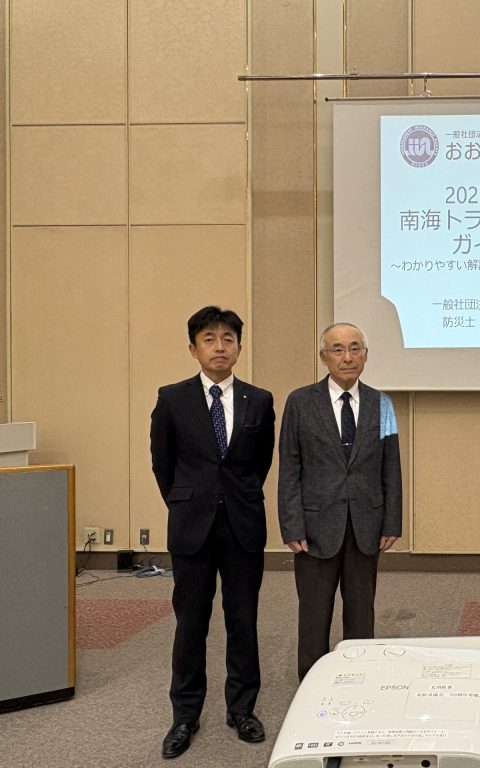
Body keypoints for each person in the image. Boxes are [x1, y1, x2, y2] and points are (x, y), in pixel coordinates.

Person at [150, 306, 276, 759]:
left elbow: (260, 463)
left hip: (243, 524)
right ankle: (185, 715)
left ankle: (242, 709)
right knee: (191, 624)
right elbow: (162, 463)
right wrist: (187, 501)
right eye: (209, 339)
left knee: (243, 620)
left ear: (239, 347)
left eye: (227, 338)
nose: (219, 346)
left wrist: (236, 496)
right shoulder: (172, 398)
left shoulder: (259, 400)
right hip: (192, 526)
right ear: (193, 348)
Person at [278, 322, 402, 680]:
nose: (347, 357)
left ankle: (359, 681)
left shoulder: (382, 403)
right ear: (324, 357)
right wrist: (292, 525)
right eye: (338, 349)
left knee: (362, 613)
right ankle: (312, 685)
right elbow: (290, 467)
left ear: (365, 355)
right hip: (315, 527)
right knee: (314, 615)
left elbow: (391, 466)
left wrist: (392, 521)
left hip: (366, 524)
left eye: (355, 348)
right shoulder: (300, 402)